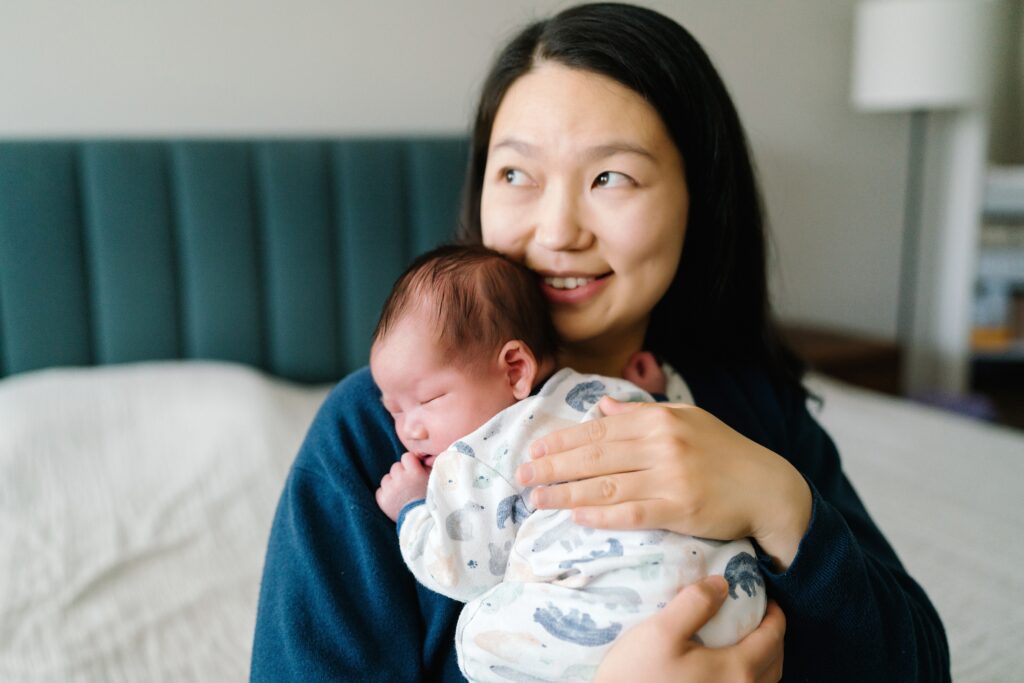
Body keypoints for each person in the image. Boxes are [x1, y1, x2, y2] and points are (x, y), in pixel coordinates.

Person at [251, 4, 950, 681]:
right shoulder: (383, 434)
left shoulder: (748, 406)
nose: (557, 232)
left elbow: (919, 663)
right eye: (516, 174)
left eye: (609, 176)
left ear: (697, 200)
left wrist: (779, 504)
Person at [370, 245, 766, 681]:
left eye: (428, 400)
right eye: (394, 411)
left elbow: (466, 571)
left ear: (515, 370)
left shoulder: (473, 456)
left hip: (614, 623)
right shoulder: (606, 391)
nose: (410, 430)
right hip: (732, 605)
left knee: (477, 633)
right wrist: (657, 394)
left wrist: (412, 511)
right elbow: (686, 443)